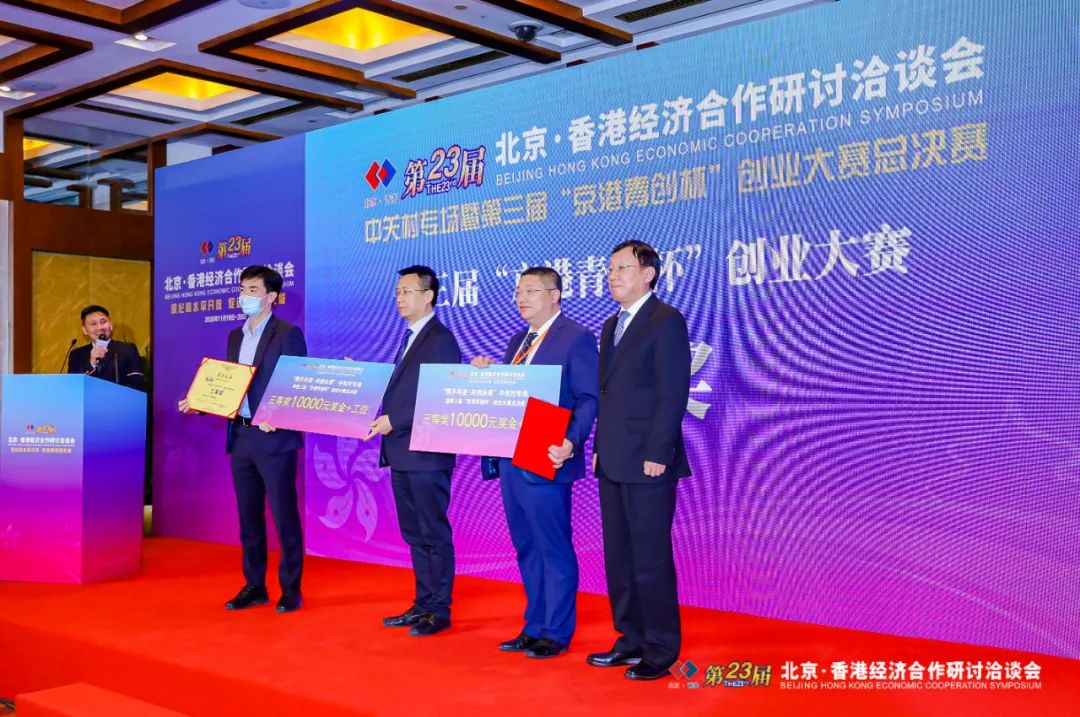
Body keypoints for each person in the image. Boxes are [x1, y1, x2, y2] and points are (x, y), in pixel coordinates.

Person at [471, 267, 598, 659]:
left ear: (554, 295)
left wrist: (571, 441)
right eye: (518, 292)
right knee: (526, 545)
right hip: (512, 456)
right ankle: (534, 625)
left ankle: (556, 631)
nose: (520, 299)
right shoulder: (518, 341)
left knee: (552, 546)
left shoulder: (576, 337)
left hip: (547, 452)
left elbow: (588, 398)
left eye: (530, 291)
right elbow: (513, 395)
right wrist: (488, 375)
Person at [587, 240, 691, 681]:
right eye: (610, 269)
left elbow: (672, 392)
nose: (613, 275)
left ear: (648, 274)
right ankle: (630, 639)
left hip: (648, 461)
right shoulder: (611, 325)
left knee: (650, 557)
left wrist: (657, 452)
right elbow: (609, 396)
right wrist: (598, 446)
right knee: (620, 556)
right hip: (613, 458)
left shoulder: (666, 320)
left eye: (622, 267)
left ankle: (661, 648)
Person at [178, 265, 307, 614]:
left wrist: (278, 417)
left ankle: (291, 590)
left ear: (270, 297)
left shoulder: (287, 334)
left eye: (252, 290)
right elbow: (231, 385)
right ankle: (254, 586)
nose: (244, 296)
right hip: (242, 436)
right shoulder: (236, 336)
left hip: (275, 439)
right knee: (248, 518)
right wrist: (202, 402)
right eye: (242, 289)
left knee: (284, 516)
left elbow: (297, 385)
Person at [367, 265, 462, 637]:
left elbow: (440, 396)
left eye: (407, 291)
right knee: (414, 533)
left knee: (433, 532)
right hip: (403, 452)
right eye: (397, 292)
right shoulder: (410, 337)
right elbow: (404, 389)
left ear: (429, 296)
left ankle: (439, 610)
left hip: (427, 453)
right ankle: (422, 603)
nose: (399, 298)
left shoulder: (440, 339)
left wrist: (396, 420)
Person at [67, 305, 144, 390]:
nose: (100, 327)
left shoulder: (127, 349)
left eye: (103, 322)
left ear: (110, 325)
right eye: (93, 324)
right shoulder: (76, 355)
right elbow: (73, 387)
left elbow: (136, 384)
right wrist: (92, 364)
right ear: (84, 330)